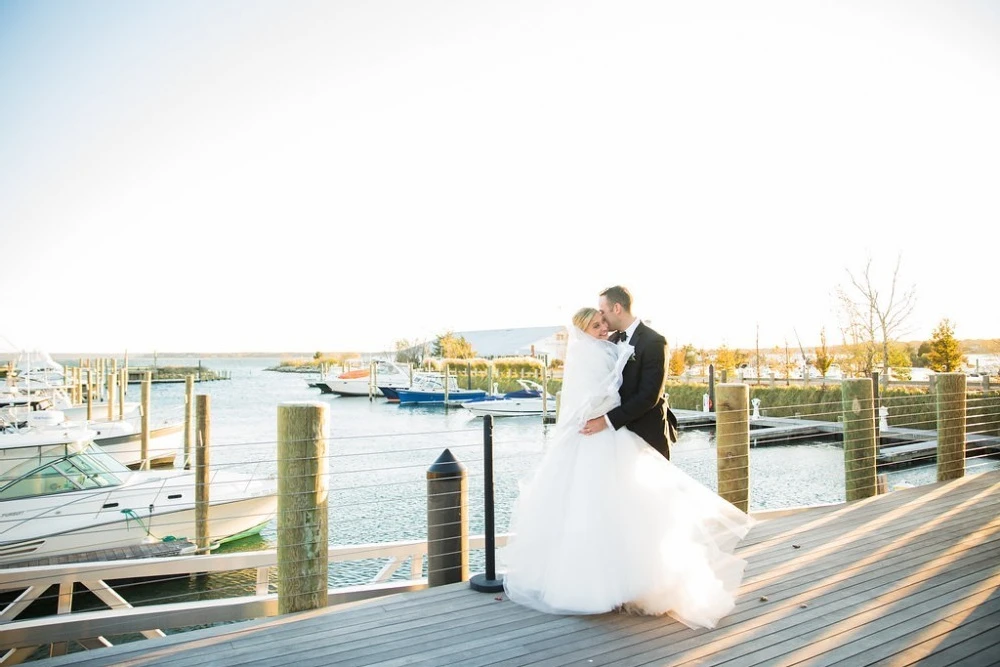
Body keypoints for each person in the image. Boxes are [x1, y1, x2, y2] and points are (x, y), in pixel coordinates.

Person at [501, 306, 755, 628]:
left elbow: (644, 393)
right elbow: (595, 397)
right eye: (596, 324)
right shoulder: (590, 356)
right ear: (583, 330)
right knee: (598, 509)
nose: (603, 326)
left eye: (604, 319)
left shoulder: (637, 343)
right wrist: (605, 414)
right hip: (600, 436)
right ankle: (598, 584)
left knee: (627, 508)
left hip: (614, 432)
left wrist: (609, 412)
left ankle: (628, 583)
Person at [581, 285, 674, 459]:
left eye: (602, 311)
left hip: (646, 435)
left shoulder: (653, 342)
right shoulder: (611, 339)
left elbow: (648, 396)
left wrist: (606, 421)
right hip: (616, 438)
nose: (601, 316)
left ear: (616, 308)